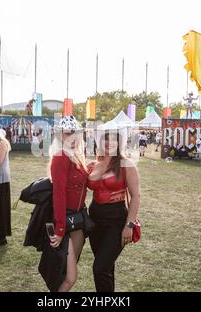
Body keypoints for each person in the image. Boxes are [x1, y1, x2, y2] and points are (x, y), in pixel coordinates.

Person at [87, 131, 141, 292]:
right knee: (106, 267)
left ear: (119, 144)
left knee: (100, 268)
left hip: (117, 221)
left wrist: (129, 225)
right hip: (95, 221)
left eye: (113, 140)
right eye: (105, 140)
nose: (109, 143)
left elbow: (136, 196)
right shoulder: (92, 165)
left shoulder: (126, 164)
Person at [48, 115, 89, 292]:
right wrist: (60, 228)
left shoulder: (77, 156)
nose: (71, 137)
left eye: (75, 133)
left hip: (78, 220)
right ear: (59, 136)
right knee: (70, 278)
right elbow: (58, 194)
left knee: (65, 272)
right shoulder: (60, 157)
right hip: (66, 220)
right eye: (67, 134)